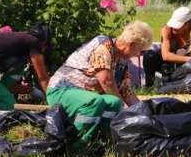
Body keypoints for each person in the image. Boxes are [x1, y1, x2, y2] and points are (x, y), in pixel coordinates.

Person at [47, 21, 153, 149]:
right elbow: (106, 81)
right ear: (131, 45)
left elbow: (127, 92)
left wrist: (145, 114)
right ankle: (77, 146)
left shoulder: (122, 62)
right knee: (95, 102)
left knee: (113, 102)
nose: (138, 55)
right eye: (140, 51)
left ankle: (102, 143)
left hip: (84, 97)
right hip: (61, 90)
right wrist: (125, 109)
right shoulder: (104, 45)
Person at [142, 7, 191, 87]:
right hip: (165, 65)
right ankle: (151, 86)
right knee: (149, 56)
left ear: (187, 24)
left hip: (182, 67)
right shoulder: (166, 30)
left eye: (178, 24)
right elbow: (166, 56)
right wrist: (190, 59)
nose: (174, 27)